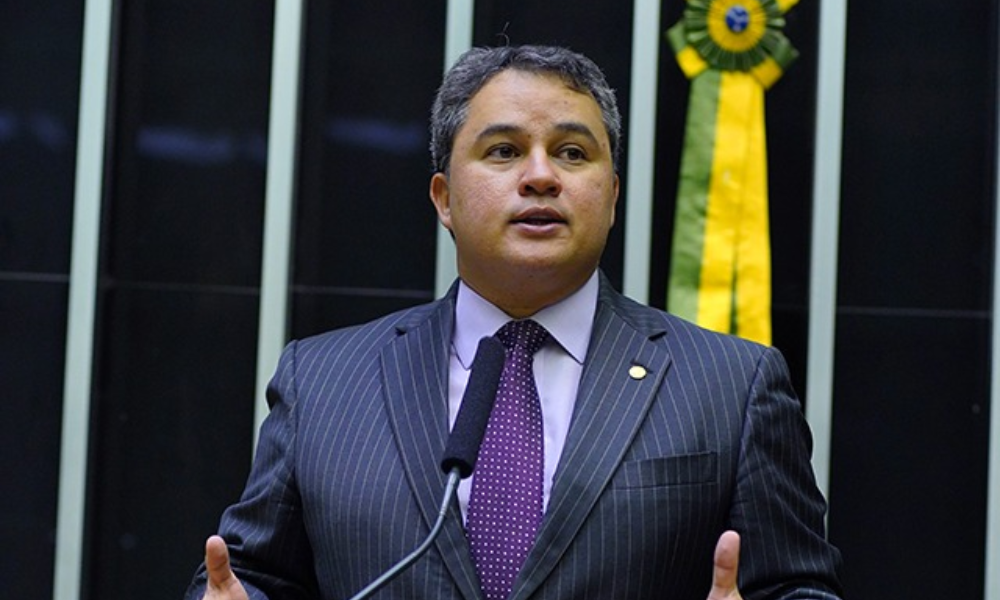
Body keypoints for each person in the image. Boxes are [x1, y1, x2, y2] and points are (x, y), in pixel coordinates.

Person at [185, 45, 843, 600]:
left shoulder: (732, 386)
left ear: (612, 197)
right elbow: (250, 577)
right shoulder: (323, 381)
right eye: (503, 151)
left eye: (572, 153)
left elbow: (799, 587)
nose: (540, 176)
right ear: (444, 198)